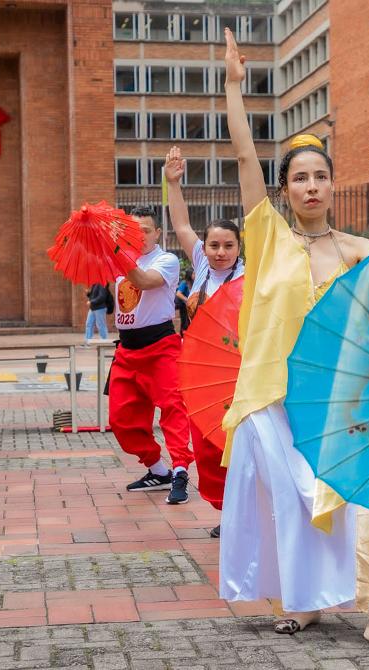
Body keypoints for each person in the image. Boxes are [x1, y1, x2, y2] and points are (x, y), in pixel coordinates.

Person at [218, 28, 369, 666]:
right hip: (273, 397)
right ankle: (304, 600)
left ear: (333, 184)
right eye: (299, 178)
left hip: (343, 400)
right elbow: (244, 159)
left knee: (361, 499)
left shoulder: (361, 252)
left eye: (320, 176)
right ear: (285, 189)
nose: (310, 186)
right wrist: (234, 89)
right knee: (291, 503)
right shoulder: (267, 238)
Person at [165, 145, 245, 538]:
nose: (220, 252)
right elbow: (181, 225)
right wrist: (173, 184)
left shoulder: (250, 277)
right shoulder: (199, 266)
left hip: (239, 377)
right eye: (214, 245)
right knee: (207, 447)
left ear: (239, 247)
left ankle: (247, 515)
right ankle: (228, 512)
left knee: (239, 448)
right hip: (200, 377)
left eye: (228, 245)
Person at [107, 205, 194, 505]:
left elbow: (144, 281)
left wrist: (115, 252)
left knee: (173, 408)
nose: (140, 236)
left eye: (145, 230)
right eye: (133, 231)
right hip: (127, 350)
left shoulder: (165, 260)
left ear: (157, 233)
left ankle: (180, 470)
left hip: (160, 347)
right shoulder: (120, 260)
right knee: (120, 418)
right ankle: (158, 470)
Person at [175, 268, 194, 334]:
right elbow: (178, 293)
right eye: (194, 273)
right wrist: (188, 300)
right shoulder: (184, 283)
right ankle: (183, 336)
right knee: (185, 322)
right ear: (189, 275)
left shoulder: (195, 282)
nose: (195, 275)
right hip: (184, 306)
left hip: (191, 305)